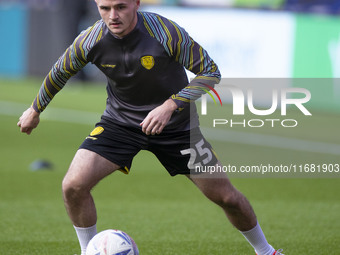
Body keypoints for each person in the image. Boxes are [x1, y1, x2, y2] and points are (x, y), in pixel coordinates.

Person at [17, 0, 284, 254]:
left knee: (227, 198)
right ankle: (88, 252)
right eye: (105, 8)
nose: (113, 16)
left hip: (178, 129)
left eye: (121, 6)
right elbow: (60, 71)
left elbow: (210, 73)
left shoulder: (164, 32)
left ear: (136, 3)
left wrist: (170, 105)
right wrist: (35, 109)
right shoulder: (90, 40)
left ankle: (267, 251)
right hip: (120, 124)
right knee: (73, 185)